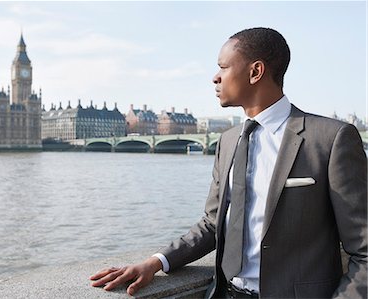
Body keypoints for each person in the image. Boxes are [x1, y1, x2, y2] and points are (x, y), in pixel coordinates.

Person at [89, 27, 367, 298]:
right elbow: (213, 223)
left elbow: (364, 250)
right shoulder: (229, 140)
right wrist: (156, 262)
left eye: (223, 67)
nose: (215, 78)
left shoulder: (331, 139)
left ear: (255, 71)